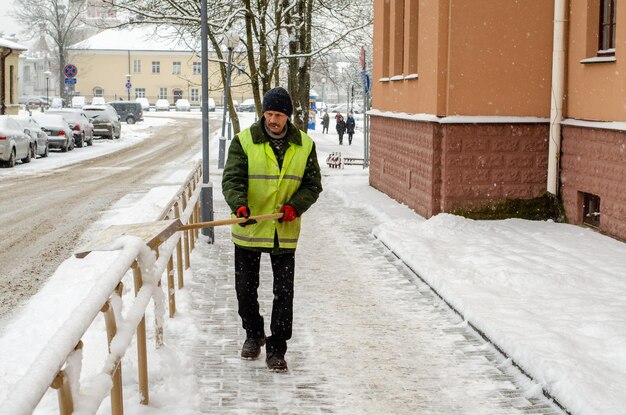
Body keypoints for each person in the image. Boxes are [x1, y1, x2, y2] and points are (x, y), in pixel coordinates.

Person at [222, 86, 323, 372]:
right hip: (249, 228)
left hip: (283, 230)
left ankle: (277, 347)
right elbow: (232, 179)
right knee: (245, 289)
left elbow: (312, 184)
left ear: (287, 116)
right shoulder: (243, 141)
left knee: (283, 292)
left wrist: (296, 206)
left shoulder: (305, 145)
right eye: (268, 113)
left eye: (278, 114)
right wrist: (239, 205)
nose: (272, 120)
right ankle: (253, 334)